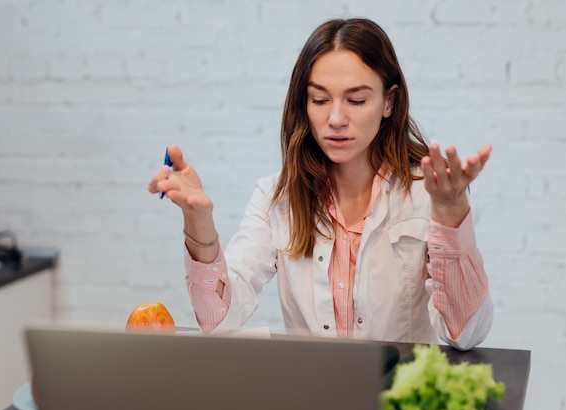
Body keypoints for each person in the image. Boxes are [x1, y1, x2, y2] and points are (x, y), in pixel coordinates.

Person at [149, 18, 493, 350]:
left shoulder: (426, 192)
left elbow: (464, 335)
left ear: (389, 102)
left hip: (400, 403)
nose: (336, 119)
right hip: (312, 399)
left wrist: (451, 214)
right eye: (320, 99)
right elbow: (218, 320)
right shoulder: (276, 198)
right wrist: (199, 224)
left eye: (356, 100)